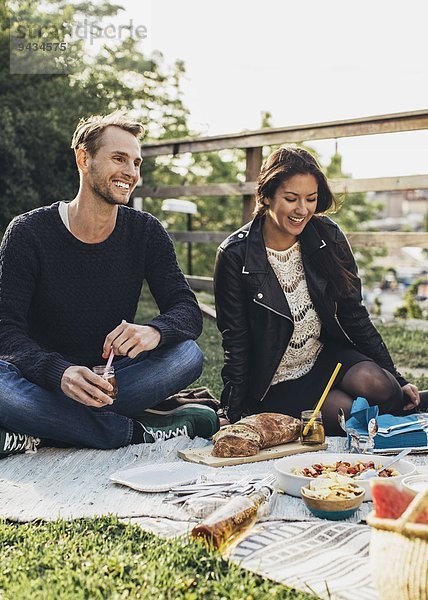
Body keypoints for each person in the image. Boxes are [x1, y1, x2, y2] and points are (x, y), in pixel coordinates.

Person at [0, 112, 219, 457]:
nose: (131, 173)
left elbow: (187, 311)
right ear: (84, 159)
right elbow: (6, 330)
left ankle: (41, 428)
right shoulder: (28, 232)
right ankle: (133, 432)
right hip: (43, 379)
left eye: (136, 162)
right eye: (119, 159)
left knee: (187, 355)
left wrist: (154, 332)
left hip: (113, 382)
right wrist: (60, 373)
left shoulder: (145, 232)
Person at [214, 146, 421, 435]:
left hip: (323, 357)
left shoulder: (328, 236)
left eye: (310, 199)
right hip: (275, 380)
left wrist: (397, 378)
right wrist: (233, 411)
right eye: (291, 198)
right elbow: (235, 340)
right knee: (344, 415)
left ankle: (401, 404)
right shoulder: (235, 255)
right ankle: (384, 416)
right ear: (266, 196)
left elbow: (354, 314)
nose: (302, 210)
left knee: (381, 387)